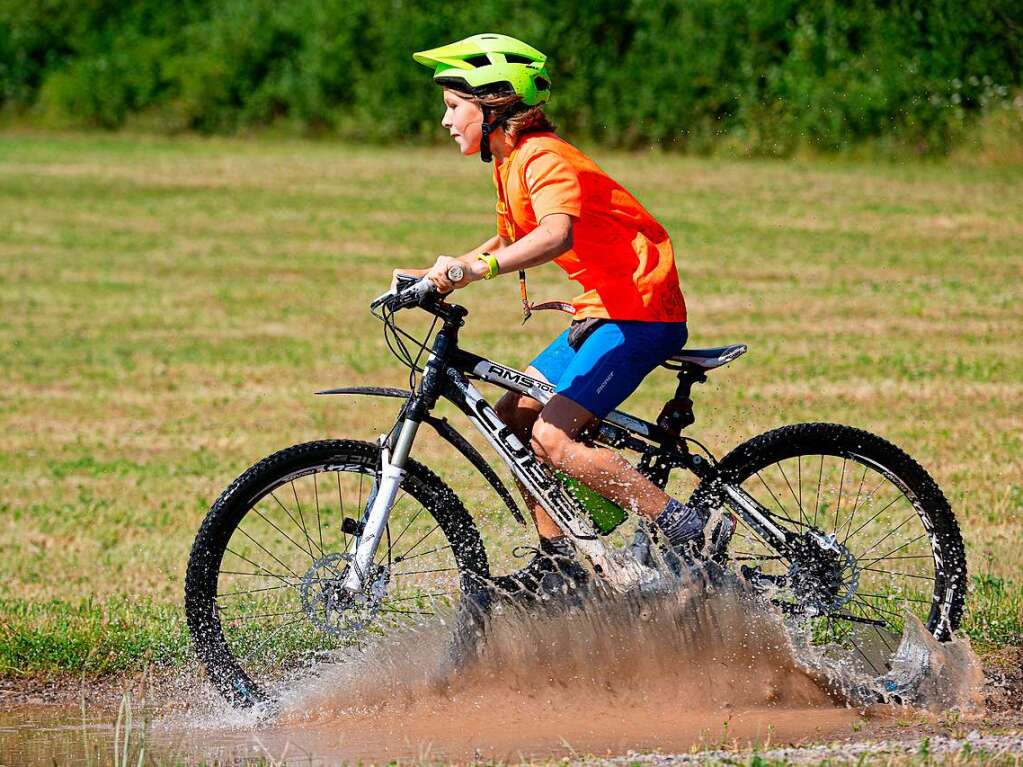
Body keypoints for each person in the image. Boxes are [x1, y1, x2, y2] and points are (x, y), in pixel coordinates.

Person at [397, 33, 706, 597]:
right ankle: (562, 563)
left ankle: (688, 527)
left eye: (452, 107)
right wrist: (433, 275)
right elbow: (507, 238)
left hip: (639, 313)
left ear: (491, 104)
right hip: (600, 313)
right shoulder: (511, 162)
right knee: (512, 422)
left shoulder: (544, 156)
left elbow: (553, 234)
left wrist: (474, 272)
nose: (445, 121)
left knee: (551, 438)